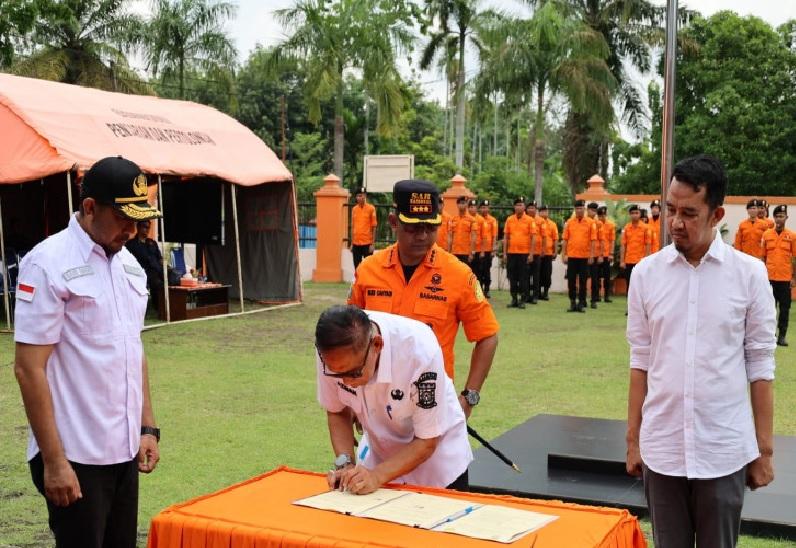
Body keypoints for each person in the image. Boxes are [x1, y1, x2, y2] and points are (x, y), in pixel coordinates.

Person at [626, 154, 776, 548]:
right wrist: (632, 439)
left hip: (723, 449)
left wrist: (763, 451)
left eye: (689, 213)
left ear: (717, 214)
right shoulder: (646, 274)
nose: (675, 222)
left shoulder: (749, 275)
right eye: (671, 209)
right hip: (662, 447)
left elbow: (760, 363)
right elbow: (640, 359)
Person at [13, 156, 162, 548]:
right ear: (90, 207)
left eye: (139, 219)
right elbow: (29, 369)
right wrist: (55, 461)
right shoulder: (48, 263)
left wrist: (147, 428)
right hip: (75, 453)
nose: (132, 230)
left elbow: (135, 348)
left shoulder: (129, 265)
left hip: (124, 449)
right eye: (123, 218)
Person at [348, 180, 498, 418]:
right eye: (413, 228)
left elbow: (488, 336)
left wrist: (470, 396)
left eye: (430, 227)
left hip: (432, 403)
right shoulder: (368, 270)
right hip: (376, 404)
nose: (423, 236)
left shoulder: (458, 275)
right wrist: (352, 397)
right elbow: (351, 333)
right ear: (394, 222)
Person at [316, 305, 472, 493]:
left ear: (377, 345)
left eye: (354, 372)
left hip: (437, 467)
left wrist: (377, 476)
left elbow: (427, 441)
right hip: (379, 459)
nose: (346, 382)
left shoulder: (419, 351)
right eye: (336, 374)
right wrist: (345, 465)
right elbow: (337, 411)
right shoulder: (332, 352)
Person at [762, 205, 795, 347]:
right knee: (769, 308)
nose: (779, 219)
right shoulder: (767, 234)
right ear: (774, 218)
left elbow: (795, 258)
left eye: (782, 216)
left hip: (785, 278)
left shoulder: (792, 236)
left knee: (785, 308)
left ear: (786, 218)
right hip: (769, 278)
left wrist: (794, 277)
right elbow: (762, 257)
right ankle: (771, 335)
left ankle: (782, 336)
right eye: (777, 216)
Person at [561, 199, 596, 313]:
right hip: (572, 256)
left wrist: (591, 255)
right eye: (577, 208)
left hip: (584, 257)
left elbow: (593, 241)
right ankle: (572, 302)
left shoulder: (590, 223)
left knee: (583, 281)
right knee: (571, 280)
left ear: (584, 209)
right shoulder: (569, 223)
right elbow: (565, 240)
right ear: (574, 210)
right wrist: (564, 254)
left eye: (581, 208)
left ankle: (581, 303)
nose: (579, 210)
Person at [503, 196, 536, 309]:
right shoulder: (509, 219)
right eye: (517, 205)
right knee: (512, 277)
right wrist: (504, 253)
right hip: (512, 253)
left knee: (523, 277)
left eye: (521, 205)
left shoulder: (530, 221)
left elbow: (533, 238)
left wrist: (531, 254)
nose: (518, 207)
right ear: (514, 207)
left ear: (524, 207)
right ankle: (514, 299)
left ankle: (522, 299)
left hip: (524, 254)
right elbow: (506, 237)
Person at [126, 220, 164, 312]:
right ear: (138, 228)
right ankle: (158, 308)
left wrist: (165, 267)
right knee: (157, 283)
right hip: (142, 272)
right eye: (144, 227)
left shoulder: (152, 243)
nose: (147, 230)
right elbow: (126, 261)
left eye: (148, 227)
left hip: (157, 270)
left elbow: (160, 258)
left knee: (173, 278)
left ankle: (169, 307)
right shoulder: (131, 244)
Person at [620, 205, 651, 293]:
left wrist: (647, 260)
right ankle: (630, 304)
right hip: (629, 260)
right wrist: (622, 261)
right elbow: (623, 245)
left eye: (636, 213)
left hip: (640, 260)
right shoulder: (626, 228)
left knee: (641, 284)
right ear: (630, 215)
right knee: (629, 283)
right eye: (632, 213)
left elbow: (648, 244)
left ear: (640, 214)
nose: (634, 215)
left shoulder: (645, 228)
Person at [524, 201, 546, 304]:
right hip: (525, 251)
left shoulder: (541, 221)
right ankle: (527, 295)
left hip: (536, 252)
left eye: (533, 208)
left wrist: (543, 249)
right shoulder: (524, 220)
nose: (531, 210)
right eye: (529, 208)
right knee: (526, 275)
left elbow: (544, 236)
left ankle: (535, 296)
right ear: (526, 209)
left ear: (536, 209)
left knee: (536, 275)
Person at [350, 187, 378, 270]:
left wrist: (372, 244)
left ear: (365, 196)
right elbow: (353, 227)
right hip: (356, 244)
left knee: (368, 268)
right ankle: (358, 283)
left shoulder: (371, 209)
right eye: (357, 196)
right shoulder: (354, 209)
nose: (359, 198)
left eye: (361, 195)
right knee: (357, 268)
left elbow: (374, 227)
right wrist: (352, 243)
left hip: (367, 244)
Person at [585, 202, 604, 309]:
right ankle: (582, 299)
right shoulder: (584, 221)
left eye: (594, 211)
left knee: (595, 278)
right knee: (583, 278)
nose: (592, 212)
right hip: (584, 254)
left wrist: (601, 254)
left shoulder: (599, 224)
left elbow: (601, 240)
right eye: (590, 210)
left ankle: (594, 299)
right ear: (587, 210)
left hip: (595, 254)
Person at [478, 199, 498, 298]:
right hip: (478, 249)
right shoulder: (476, 219)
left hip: (488, 250)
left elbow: (494, 235)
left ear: (489, 208)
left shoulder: (492, 220)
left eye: (485, 207)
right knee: (478, 270)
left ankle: (487, 289)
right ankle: (479, 289)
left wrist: (494, 248)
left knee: (486, 270)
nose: (484, 209)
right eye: (482, 207)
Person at [449, 196, 476, 266]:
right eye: (460, 203)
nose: (462, 205)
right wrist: (449, 252)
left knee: (465, 273)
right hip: (454, 252)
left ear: (467, 205)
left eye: (464, 203)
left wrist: (472, 253)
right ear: (457, 205)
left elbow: (473, 237)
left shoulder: (472, 220)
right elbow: (450, 237)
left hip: (466, 253)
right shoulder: (453, 219)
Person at [597, 206, 615, 303]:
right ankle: (598, 294)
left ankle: (607, 295)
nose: (602, 217)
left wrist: (611, 253)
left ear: (606, 215)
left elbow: (612, 241)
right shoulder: (596, 224)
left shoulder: (610, 225)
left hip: (607, 254)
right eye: (600, 215)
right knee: (597, 276)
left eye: (603, 215)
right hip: (597, 254)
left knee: (607, 276)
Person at [538, 205, 558, 300]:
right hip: (537, 252)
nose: (544, 213)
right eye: (542, 211)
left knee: (547, 273)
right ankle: (537, 292)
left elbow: (555, 239)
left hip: (548, 253)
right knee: (537, 273)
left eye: (545, 211)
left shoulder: (552, 224)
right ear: (539, 212)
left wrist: (555, 251)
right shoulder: (535, 222)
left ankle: (545, 292)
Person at [467, 199, 485, 292]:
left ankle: (478, 291)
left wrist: (482, 251)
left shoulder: (481, 220)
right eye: (470, 207)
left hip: (477, 250)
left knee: (477, 272)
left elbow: (483, 236)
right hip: (467, 250)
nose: (472, 209)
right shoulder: (466, 218)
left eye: (474, 207)